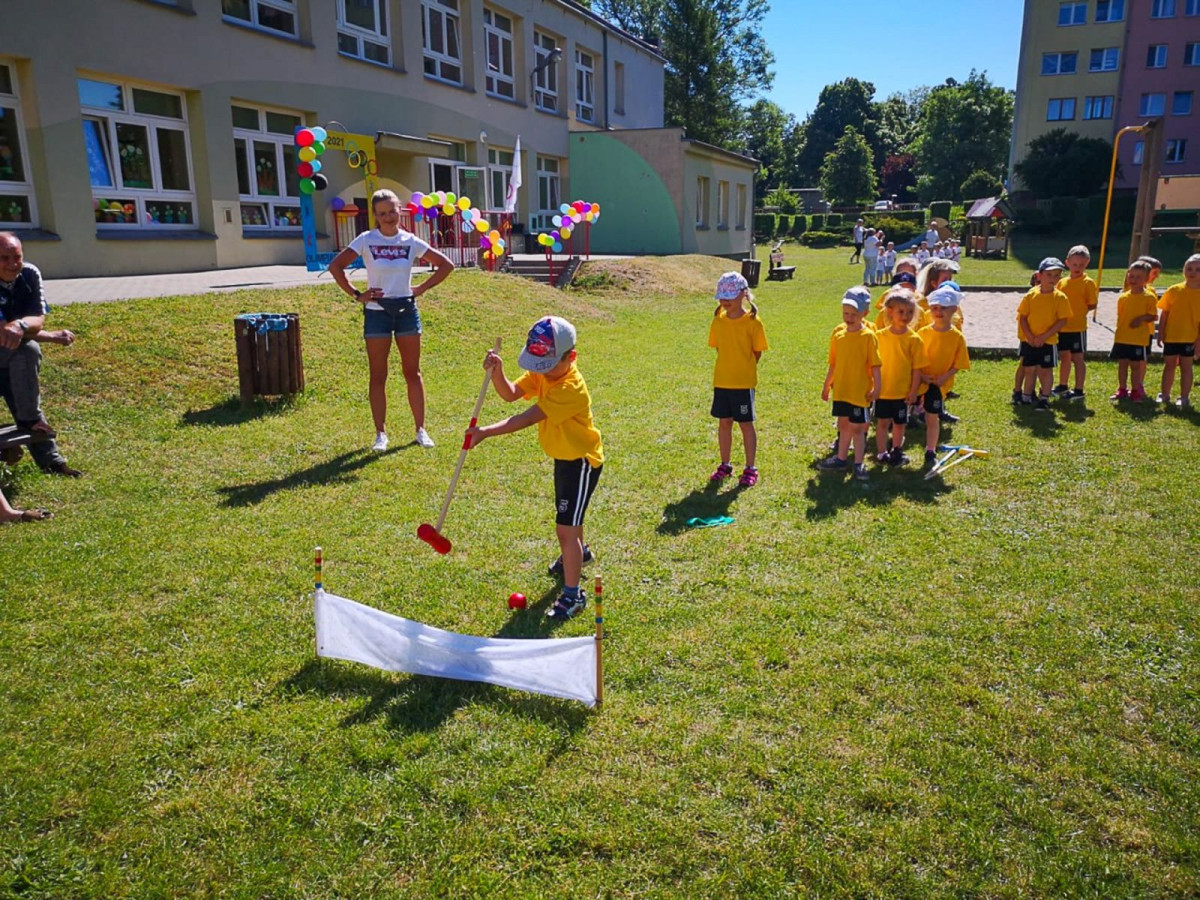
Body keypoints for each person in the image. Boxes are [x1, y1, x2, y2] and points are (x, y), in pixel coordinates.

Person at [467, 316, 603, 621]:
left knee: (565, 527)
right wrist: (498, 372)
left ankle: (573, 595)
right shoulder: (544, 373)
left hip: (581, 461)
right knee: (570, 520)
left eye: (548, 365)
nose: (541, 371)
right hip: (564, 457)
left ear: (571, 357)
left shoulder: (570, 388)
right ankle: (578, 553)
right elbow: (510, 394)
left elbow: (526, 418)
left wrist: (485, 432)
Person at [328, 189, 455, 452]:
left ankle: (420, 430)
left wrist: (421, 288)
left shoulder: (410, 240)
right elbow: (336, 266)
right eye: (382, 213)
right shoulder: (366, 239)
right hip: (377, 312)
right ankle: (381, 434)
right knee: (378, 374)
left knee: (413, 372)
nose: (388, 217)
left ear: (399, 210)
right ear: (375, 215)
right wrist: (357, 295)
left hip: (406, 310)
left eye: (392, 211)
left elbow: (446, 265)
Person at [0, 232, 81, 477]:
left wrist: (22, 325)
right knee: (24, 350)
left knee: (26, 355)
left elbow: (36, 320)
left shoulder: (29, 274)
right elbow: (3, 332)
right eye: (4, 258)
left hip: (9, 354)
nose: (13, 264)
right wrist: (51, 336)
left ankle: (51, 462)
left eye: (17, 257)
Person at [707, 272, 768, 488]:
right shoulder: (718, 321)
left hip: (743, 384)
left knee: (745, 424)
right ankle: (725, 464)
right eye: (722, 296)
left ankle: (750, 468)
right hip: (722, 382)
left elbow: (757, 352)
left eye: (730, 296)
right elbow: (719, 348)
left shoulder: (753, 322)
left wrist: (744, 368)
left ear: (743, 294)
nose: (725, 300)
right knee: (724, 423)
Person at [820, 287, 880, 482]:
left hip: (859, 393)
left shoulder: (868, 336)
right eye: (846, 313)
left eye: (854, 314)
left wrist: (877, 387)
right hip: (842, 391)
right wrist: (827, 385)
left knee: (858, 429)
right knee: (843, 424)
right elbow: (833, 364)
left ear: (865, 313)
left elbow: (876, 365)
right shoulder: (839, 336)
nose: (849, 317)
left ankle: (859, 463)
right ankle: (841, 458)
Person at [918, 285, 970, 468]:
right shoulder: (922, 333)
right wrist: (921, 375)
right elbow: (914, 358)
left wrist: (945, 377)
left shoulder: (957, 337)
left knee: (932, 417)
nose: (938, 312)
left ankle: (930, 450)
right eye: (935, 308)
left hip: (938, 384)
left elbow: (959, 362)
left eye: (944, 308)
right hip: (919, 381)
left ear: (954, 309)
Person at [873, 289, 925, 466]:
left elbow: (917, 369)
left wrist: (913, 391)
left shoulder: (914, 339)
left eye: (910, 312)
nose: (905, 316)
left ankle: (897, 450)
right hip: (883, 391)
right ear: (890, 312)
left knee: (900, 424)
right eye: (901, 311)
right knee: (882, 423)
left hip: (902, 393)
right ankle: (881, 453)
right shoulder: (879, 337)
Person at [1017, 258, 1071, 410]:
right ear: (1039, 275)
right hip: (1030, 341)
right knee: (1029, 369)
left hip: (1048, 341)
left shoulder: (1060, 297)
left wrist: (1044, 336)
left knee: (1045, 370)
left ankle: (1045, 398)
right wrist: (1029, 336)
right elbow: (1022, 317)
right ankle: (1026, 396)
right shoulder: (1031, 295)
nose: (1052, 279)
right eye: (1049, 274)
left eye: (1057, 275)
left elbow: (1062, 320)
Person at [1053, 245, 1099, 402]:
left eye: (1081, 264)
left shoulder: (1088, 283)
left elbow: (1092, 304)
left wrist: (1079, 312)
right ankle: (1063, 385)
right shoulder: (1062, 282)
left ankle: (1079, 389)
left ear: (1087, 263)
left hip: (1077, 327)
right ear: (1067, 263)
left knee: (1078, 358)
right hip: (1062, 326)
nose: (1077, 267)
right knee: (1064, 356)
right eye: (1074, 264)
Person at [1155, 253, 1200, 407]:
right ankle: (1165, 394)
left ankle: (1184, 397)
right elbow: (1165, 313)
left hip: (1190, 338)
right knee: (1169, 365)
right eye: (1189, 268)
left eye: (1197, 270)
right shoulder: (1174, 290)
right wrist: (1161, 332)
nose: (1193, 272)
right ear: (1183, 270)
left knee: (1187, 367)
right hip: (1172, 336)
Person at [1110, 260, 1158, 402]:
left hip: (1138, 339)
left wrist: (1141, 319)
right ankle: (1122, 389)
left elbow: (1153, 316)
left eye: (1138, 277)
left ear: (1146, 279)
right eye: (1131, 276)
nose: (1133, 279)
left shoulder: (1149, 297)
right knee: (1122, 365)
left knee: (1136, 366)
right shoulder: (1123, 297)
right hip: (1122, 337)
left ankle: (1136, 390)